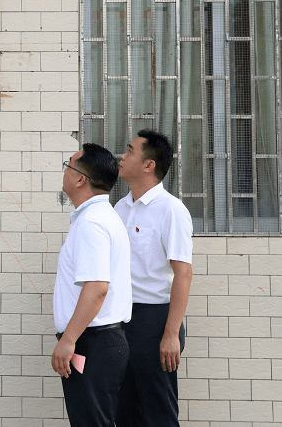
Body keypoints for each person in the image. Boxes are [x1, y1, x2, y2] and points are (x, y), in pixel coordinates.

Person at [115, 130, 193, 427]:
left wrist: (171, 334)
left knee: (158, 411)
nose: (122, 156)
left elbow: (183, 272)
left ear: (148, 165)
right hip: (121, 318)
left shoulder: (171, 210)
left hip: (154, 320)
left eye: (130, 151)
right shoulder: (120, 208)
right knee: (124, 410)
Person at [51, 143, 132, 427]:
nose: (64, 170)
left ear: (79, 179)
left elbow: (97, 288)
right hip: (98, 342)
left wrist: (68, 340)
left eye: (68, 163)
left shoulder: (91, 222)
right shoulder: (102, 217)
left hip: (91, 343)